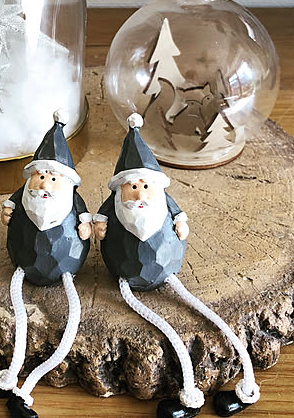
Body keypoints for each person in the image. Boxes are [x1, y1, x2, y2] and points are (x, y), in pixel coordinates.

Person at [95, 113, 260, 418]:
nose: (139, 193)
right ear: (120, 187)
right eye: (132, 186)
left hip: (167, 269)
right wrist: (99, 225)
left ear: (156, 185)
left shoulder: (164, 202)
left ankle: (243, 385)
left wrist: (181, 223)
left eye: (145, 185)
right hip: (125, 273)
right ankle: (190, 395)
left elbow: (178, 215)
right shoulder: (114, 205)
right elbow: (101, 218)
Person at [0, 109, 91, 418]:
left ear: (65, 180)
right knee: (17, 303)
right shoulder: (23, 196)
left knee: (71, 314)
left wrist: (85, 225)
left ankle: (24, 390)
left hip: (65, 267)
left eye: (52, 178)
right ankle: (9, 378)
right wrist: (8, 212)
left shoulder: (72, 201)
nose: (45, 184)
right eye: (40, 176)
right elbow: (11, 204)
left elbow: (83, 216)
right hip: (24, 262)